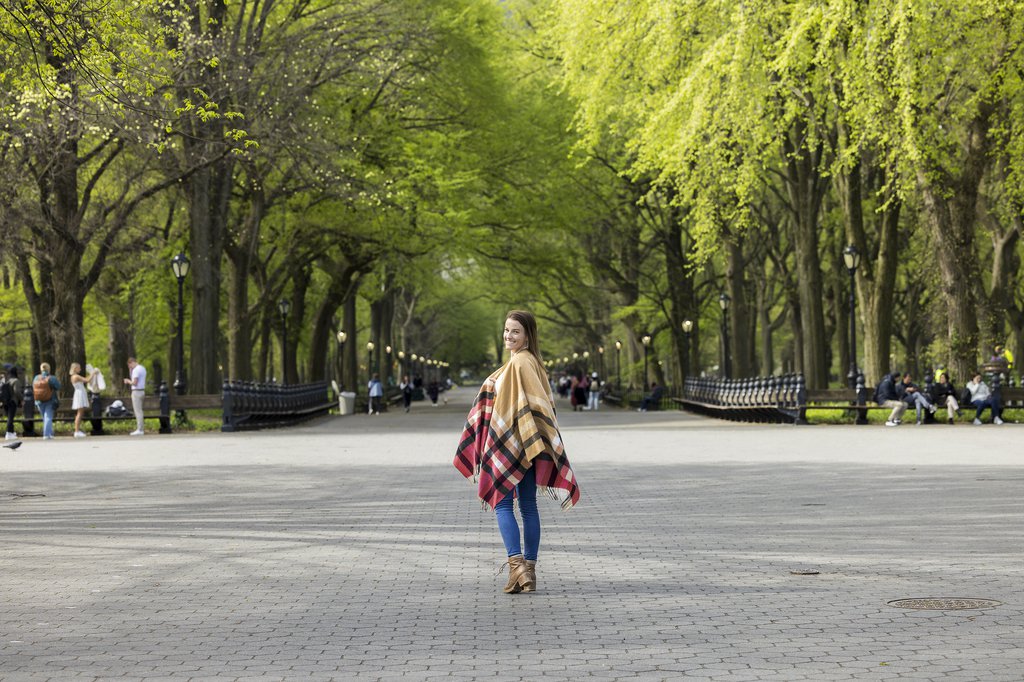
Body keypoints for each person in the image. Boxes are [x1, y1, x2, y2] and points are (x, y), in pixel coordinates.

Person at [454, 310, 581, 594]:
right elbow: (540, 405)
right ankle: (528, 571)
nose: (509, 336)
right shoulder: (529, 362)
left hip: (512, 442)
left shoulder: (521, 362)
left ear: (527, 336)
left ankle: (516, 565)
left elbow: (527, 406)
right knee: (528, 506)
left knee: (501, 503)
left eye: (515, 331)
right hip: (531, 444)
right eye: (506, 330)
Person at [32, 362, 61, 440]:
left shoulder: (36, 378)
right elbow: (58, 387)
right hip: (50, 400)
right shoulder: (51, 378)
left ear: (41, 369)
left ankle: (50, 433)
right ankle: (46, 434)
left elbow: (33, 387)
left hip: (39, 401)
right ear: (49, 369)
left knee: (45, 418)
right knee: (48, 417)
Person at [68, 363, 98, 437]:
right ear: (75, 368)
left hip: (80, 393)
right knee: (79, 413)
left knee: (80, 413)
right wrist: (93, 373)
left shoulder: (74, 376)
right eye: (79, 368)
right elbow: (87, 380)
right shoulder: (75, 376)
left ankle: (77, 430)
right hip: (80, 394)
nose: (80, 369)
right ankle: (77, 431)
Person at [122, 357, 147, 435]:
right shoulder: (142, 368)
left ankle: (140, 429)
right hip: (142, 391)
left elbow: (134, 383)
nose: (130, 367)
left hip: (136, 392)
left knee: (137, 411)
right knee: (140, 411)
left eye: (129, 366)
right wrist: (130, 371)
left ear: (131, 362)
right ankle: (140, 428)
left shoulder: (136, 370)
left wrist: (128, 381)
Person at [3, 366, 23, 440]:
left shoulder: (7, 381)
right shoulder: (16, 381)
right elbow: (17, 391)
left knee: (9, 417)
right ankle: (9, 433)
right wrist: (22, 399)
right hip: (12, 401)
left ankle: (11, 432)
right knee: (11, 418)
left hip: (6, 402)